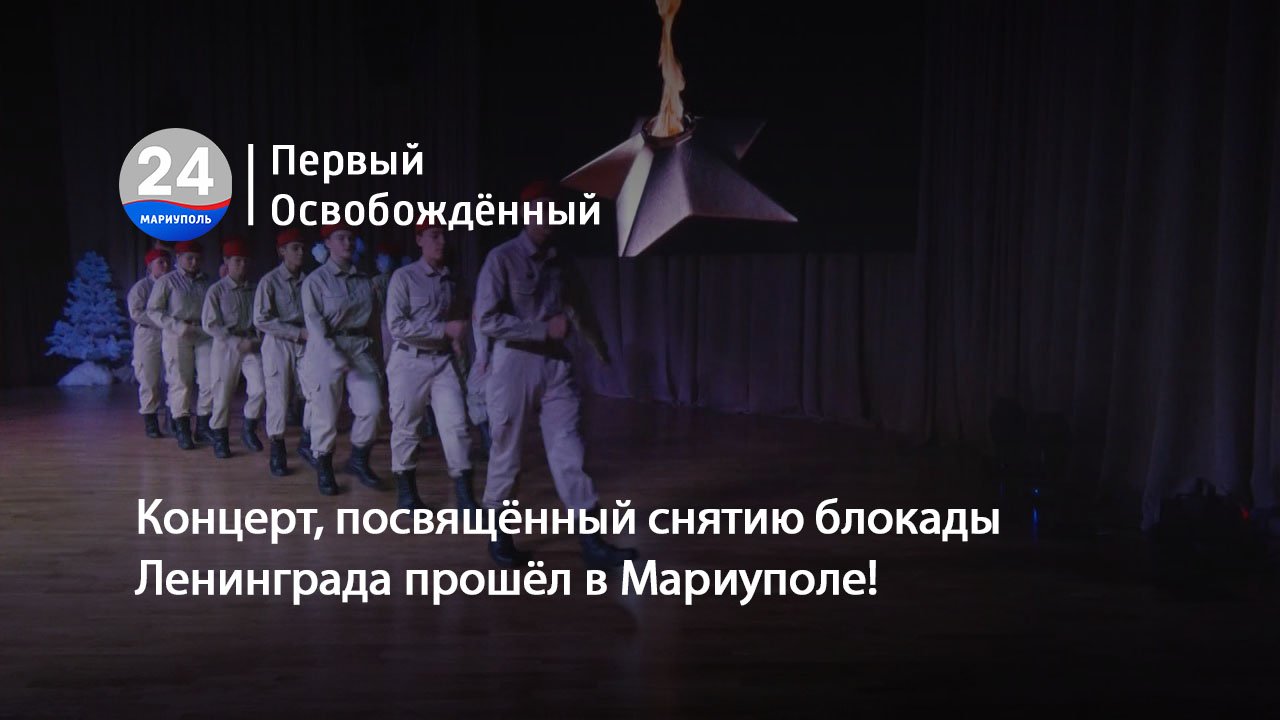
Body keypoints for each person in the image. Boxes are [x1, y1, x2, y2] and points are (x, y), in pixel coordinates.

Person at [474, 179, 635, 569]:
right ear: (524, 213)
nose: (549, 216)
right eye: (541, 208)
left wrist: (600, 348)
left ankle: (592, 542)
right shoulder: (502, 258)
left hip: (556, 366)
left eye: (554, 209)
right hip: (514, 364)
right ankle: (499, 538)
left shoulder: (561, 260)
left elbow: (580, 306)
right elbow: (487, 319)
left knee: (570, 451)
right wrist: (541, 329)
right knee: (507, 453)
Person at [385, 221, 475, 511]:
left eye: (444, 236)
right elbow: (397, 326)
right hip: (409, 361)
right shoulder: (404, 277)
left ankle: (465, 499)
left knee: (457, 426)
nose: (441, 242)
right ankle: (407, 496)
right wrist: (442, 330)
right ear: (419, 240)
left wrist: (456, 342)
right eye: (434, 236)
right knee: (407, 427)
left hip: (443, 360)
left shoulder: (452, 280)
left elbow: (458, 320)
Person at [301, 222, 384, 495]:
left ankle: (358, 459)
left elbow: (373, 324)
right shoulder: (316, 281)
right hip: (326, 349)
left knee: (372, 407)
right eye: (341, 238)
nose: (348, 243)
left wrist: (379, 360)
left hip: (359, 348)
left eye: (351, 238)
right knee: (325, 415)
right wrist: (334, 355)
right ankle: (323, 463)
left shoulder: (365, 281)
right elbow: (314, 325)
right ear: (328, 243)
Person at [254, 227, 314, 476]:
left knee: (314, 392)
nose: (300, 253)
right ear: (282, 251)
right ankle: (277, 447)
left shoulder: (310, 280)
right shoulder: (269, 281)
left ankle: (308, 440)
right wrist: (295, 332)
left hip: (307, 341)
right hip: (279, 341)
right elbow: (261, 319)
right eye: (294, 248)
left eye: (302, 248)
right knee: (278, 395)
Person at [147, 239, 214, 450]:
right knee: (180, 382)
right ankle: (182, 428)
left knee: (209, 380)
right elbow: (153, 310)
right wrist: (176, 326)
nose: (194, 263)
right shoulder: (167, 281)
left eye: (197, 259)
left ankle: (203, 425)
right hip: (177, 335)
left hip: (203, 334)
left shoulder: (206, 281)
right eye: (189, 258)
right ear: (179, 258)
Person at [202, 236, 265, 459]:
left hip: (251, 344)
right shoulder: (217, 291)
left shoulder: (256, 289)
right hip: (226, 345)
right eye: (237, 260)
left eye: (245, 261)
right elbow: (210, 324)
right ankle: (220, 436)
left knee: (260, 388)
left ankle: (249, 429)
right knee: (222, 393)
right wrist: (233, 341)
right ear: (226, 262)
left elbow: (261, 319)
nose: (242, 265)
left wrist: (256, 341)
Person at [128, 247, 171, 438]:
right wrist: (162, 320)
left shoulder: (173, 284)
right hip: (149, 334)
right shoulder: (141, 287)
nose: (165, 266)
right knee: (148, 378)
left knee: (175, 376)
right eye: (160, 262)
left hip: (170, 334)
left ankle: (174, 418)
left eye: (167, 262)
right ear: (150, 266)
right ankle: (150, 419)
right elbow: (136, 312)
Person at [466, 313, 493, 456]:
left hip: (488, 360)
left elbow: (482, 338)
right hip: (491, 358)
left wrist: (482, 361)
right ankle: (489, 444)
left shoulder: (481, 313)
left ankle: (490, 445)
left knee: (477, 399)